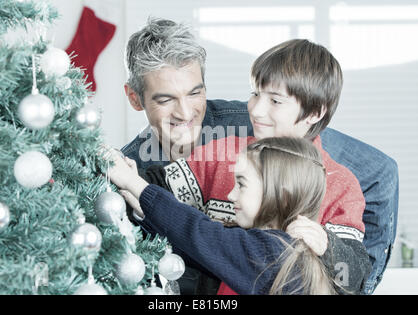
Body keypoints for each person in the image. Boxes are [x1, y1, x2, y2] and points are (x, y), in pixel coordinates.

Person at [121, 18, 398, 294]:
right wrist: (128, 177)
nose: (254, 110)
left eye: (275, 101)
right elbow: (157, 189)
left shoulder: (339, 183)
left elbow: (353, 276)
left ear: (314, 113)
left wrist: (327, 245)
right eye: (254, 94)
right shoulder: (225, 149)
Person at [110, 137, 371, 294]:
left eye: (242, 184)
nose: (231, 195)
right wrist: (140, 204)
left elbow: (198, 232)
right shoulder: (260, 243)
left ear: (280, 195)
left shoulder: (275, 253)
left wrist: (136, 185)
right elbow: (191, 246)